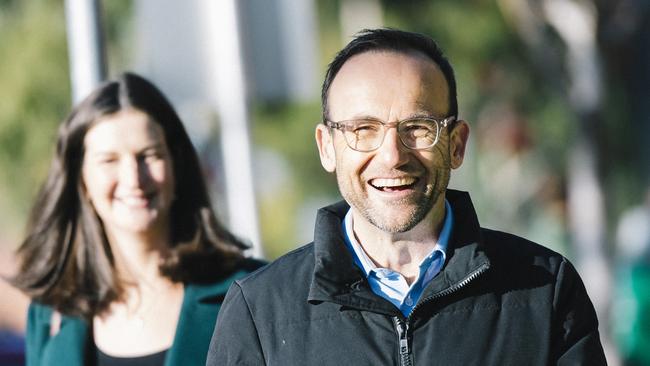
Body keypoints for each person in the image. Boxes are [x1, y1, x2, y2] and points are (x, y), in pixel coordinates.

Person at [207, 29, 607, 365]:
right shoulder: (259, 313)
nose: (393, 156)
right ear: (327, 147)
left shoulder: (544, 292)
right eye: (363, 129)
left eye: (417, 127)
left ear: (456, 144)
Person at [11, 72, 263, 366]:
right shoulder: (51, 313)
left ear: (176, 165)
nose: (133, 178)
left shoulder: (252, 291)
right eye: (109, 160)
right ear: (81, 180)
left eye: (149, 155)